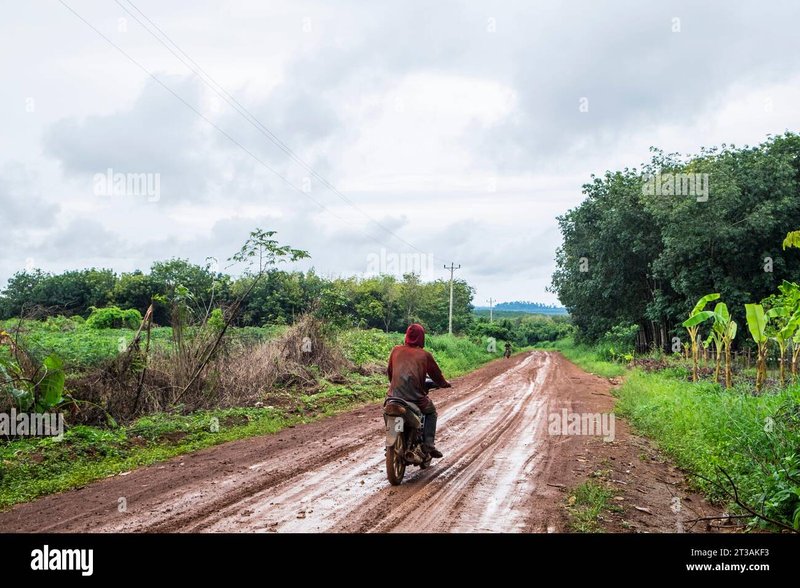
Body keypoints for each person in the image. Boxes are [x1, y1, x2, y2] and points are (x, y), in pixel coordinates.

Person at [387, 323, 451, 458]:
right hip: (415, 399)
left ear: (406, 336)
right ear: (422, 337)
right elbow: (436, 376)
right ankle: (428, 445)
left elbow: (390, 373)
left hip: (393, 397)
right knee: (431, 412)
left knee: (389, 413)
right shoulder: (424, 355)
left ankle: (393, 438)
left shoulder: (395, 350)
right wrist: (444, 384)